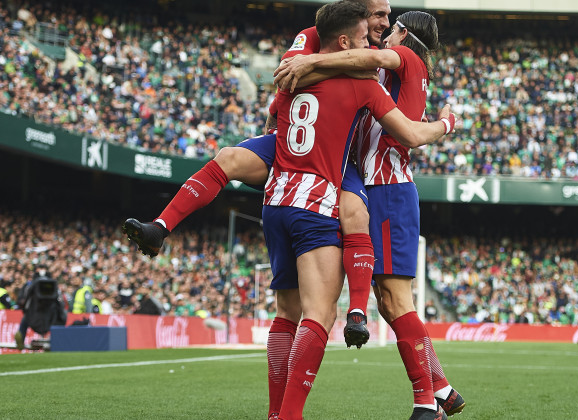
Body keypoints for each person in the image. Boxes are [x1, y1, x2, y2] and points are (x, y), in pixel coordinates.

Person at [122, 0, 390, 349]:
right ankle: (160, 227)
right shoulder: (315, 33)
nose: (385, 21)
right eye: (379, 14)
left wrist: (316, 63)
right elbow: (287, 72)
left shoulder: (381, 51)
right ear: (357, 17)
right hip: (292, 138)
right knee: (229, 157)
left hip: (340, 153)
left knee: (355, 212)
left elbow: (356, 68)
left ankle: (357, 312)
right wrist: (336, 66)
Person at [263, 3, 454, 419]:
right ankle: (439, 388)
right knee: (392, 302)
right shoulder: (402, 72)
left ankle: (427, 400)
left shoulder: (405, 57)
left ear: (406, 34)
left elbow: (369, 58)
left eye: (393, 24)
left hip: (386, 189)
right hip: (375, 187)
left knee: (395, 300)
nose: (385, 30)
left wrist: (313, 59)